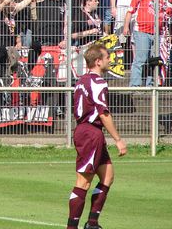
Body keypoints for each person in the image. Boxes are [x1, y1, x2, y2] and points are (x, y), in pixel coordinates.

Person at [66, 43, 127, 229]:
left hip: (87, 131)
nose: (110, 60)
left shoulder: (81, 80)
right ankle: (71, 227)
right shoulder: (98, 82)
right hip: (90, 132)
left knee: (108, 175)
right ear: (98, 61)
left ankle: (92, 223)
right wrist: (118, 140)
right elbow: (103, 113)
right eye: (107, 57)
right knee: (83, 182)